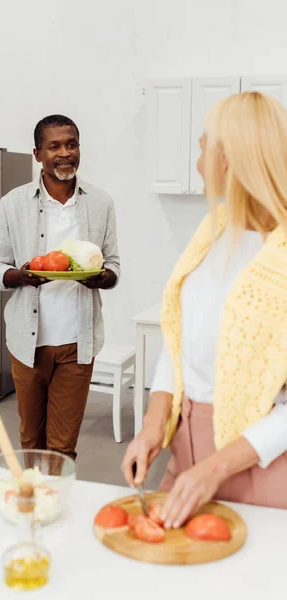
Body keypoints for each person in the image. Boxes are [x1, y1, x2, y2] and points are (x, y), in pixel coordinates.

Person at [122, 91, 287, 527]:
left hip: (261, 472)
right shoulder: (211, 233)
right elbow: (176, 345)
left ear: (230, 158)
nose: (198, 163)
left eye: (202, 146)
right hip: (185, 459)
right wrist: (154, 426)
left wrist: (215, 468)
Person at [0, 114, 120, 461]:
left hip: (79, 342)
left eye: (71, 144)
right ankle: (35, 509)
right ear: (37, 154)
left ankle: (56, 506)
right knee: (31, 441)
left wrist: (102, 278)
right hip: (28, 342)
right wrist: (21, 276)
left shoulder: (101, 202)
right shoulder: (12, 204)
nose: (65, 153)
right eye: (54, 146)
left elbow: (114, 265)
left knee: (62, 447)